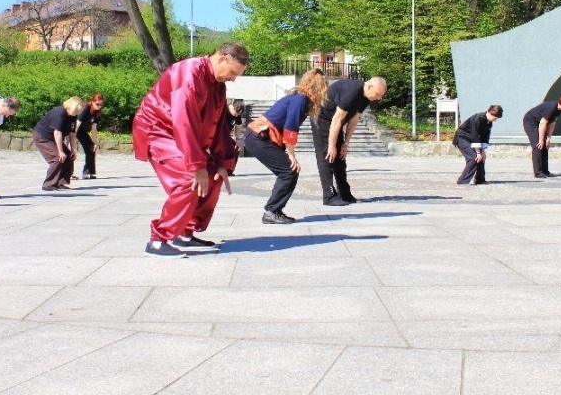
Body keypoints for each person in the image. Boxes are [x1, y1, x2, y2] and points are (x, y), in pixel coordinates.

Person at [133, 42, 249, 258]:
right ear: (223, 58)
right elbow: (183, 119)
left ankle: (184, 232)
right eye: (233, 72)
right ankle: (159, 240)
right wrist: (196, 165)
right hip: (159, 130)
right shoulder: (189, 72)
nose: (233, 79)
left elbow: (219, 124)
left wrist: (223, 162)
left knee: (214, 175)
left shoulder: (217, 84)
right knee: (189, 178)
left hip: (180, 134)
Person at [245, 69, 328, 224]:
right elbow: (290, 127)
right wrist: (291, 155)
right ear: (319, 87)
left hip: (259, 136)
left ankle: (274, 209)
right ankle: (271, 211)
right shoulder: (301, 99)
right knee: (289, 170)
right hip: (259, 137)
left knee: (288, 171)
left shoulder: (298, 97)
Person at [311, 76, 387, 206]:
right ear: (370, 87)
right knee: (327, 156)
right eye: (378, 94)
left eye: (381, 95)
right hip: (322, 119)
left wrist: (345, 143)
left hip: (336, 123)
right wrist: (331, 145)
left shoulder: (366, 97)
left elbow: (354, 119)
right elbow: (336, 119)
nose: (379, 98)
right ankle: (328, 196)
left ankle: (345, 194)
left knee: (340, 158)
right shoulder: (351, 92)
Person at [33, 96, 85, 191]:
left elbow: (72, 134)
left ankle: (62, 182)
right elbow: (57, 133)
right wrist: (60, 151)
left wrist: (72, 150)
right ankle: (48, 184)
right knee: (57, 158)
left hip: (53, 137)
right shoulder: (59, 114)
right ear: (72, 107)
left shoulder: (72, 116)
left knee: (69, 156)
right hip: (43, 137)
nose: (78, 113)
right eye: (77, 110)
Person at [522, 95, 561, 178]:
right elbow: (543, 124)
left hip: (540, 124)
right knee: (538, 145)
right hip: (530, 123)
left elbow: (552, 124)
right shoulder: (550, 108)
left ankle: (545, 171)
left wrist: (548, 138)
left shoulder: (558, 110)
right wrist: (541, 140)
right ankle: (538, 172)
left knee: (545, 146)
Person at [454, 105, 503, 185]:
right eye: (494, 118)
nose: (495, 120)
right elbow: (475, 136)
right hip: (462, 138)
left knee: (481, 158)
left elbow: (485, 137)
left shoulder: (489, 123)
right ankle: (462, 181)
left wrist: (483, 151)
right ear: (489, 113)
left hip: (472, 140)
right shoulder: (478, 118)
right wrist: (478, 152)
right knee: (474, 157)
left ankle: (480, 179)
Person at [77, 93, 104, 179]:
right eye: (97, 104)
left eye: (101, 105)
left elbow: (94, 128)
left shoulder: (96, 112)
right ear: (92, 102)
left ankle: (90, 172)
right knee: (70, 151)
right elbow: (77, 125)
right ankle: (68, 173)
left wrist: (95, 142)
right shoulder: (86, 109)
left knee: (92, 148)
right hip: (74, 130)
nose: (99, 106)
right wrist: (71, 140)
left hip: (82, 131)